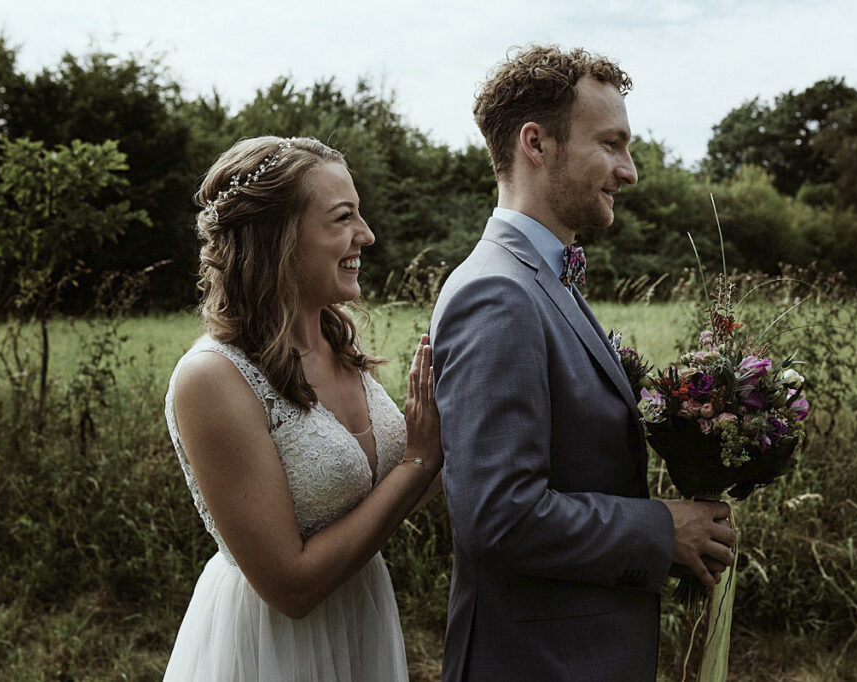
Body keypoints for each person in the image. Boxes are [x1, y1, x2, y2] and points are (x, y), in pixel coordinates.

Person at [429, 46, 737, 681]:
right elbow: (498, 515)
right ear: (535, 144)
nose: (629, 172)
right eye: (612, 144)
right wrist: (660, 531)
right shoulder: (498, 293)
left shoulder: (546, 280)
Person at [163, 136, 442, 681]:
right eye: (343, 218)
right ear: (279, 238)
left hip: (360, 618)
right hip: (273, 646)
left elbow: (389, 493)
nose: (367, 235)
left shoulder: (335, 343)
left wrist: (461, 429)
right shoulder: (212, 377)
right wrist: (419, 462)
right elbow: (291, 587)